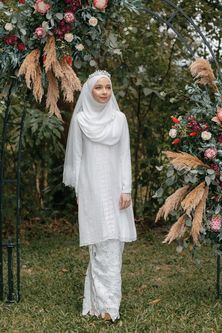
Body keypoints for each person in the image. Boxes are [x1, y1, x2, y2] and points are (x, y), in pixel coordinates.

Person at [63, 70, 137, 321]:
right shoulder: (82, 120)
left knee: (113, 246)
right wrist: (79, 192)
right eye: (99, 88)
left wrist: (126, 188)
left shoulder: (120, 119)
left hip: (116, 191)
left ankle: (107, 306)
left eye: (108, 87)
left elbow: (124, 155)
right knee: (99, 245)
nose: (105, 92)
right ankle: (99, 305)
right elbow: (76, 158)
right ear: (90, 91)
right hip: (91, 189)